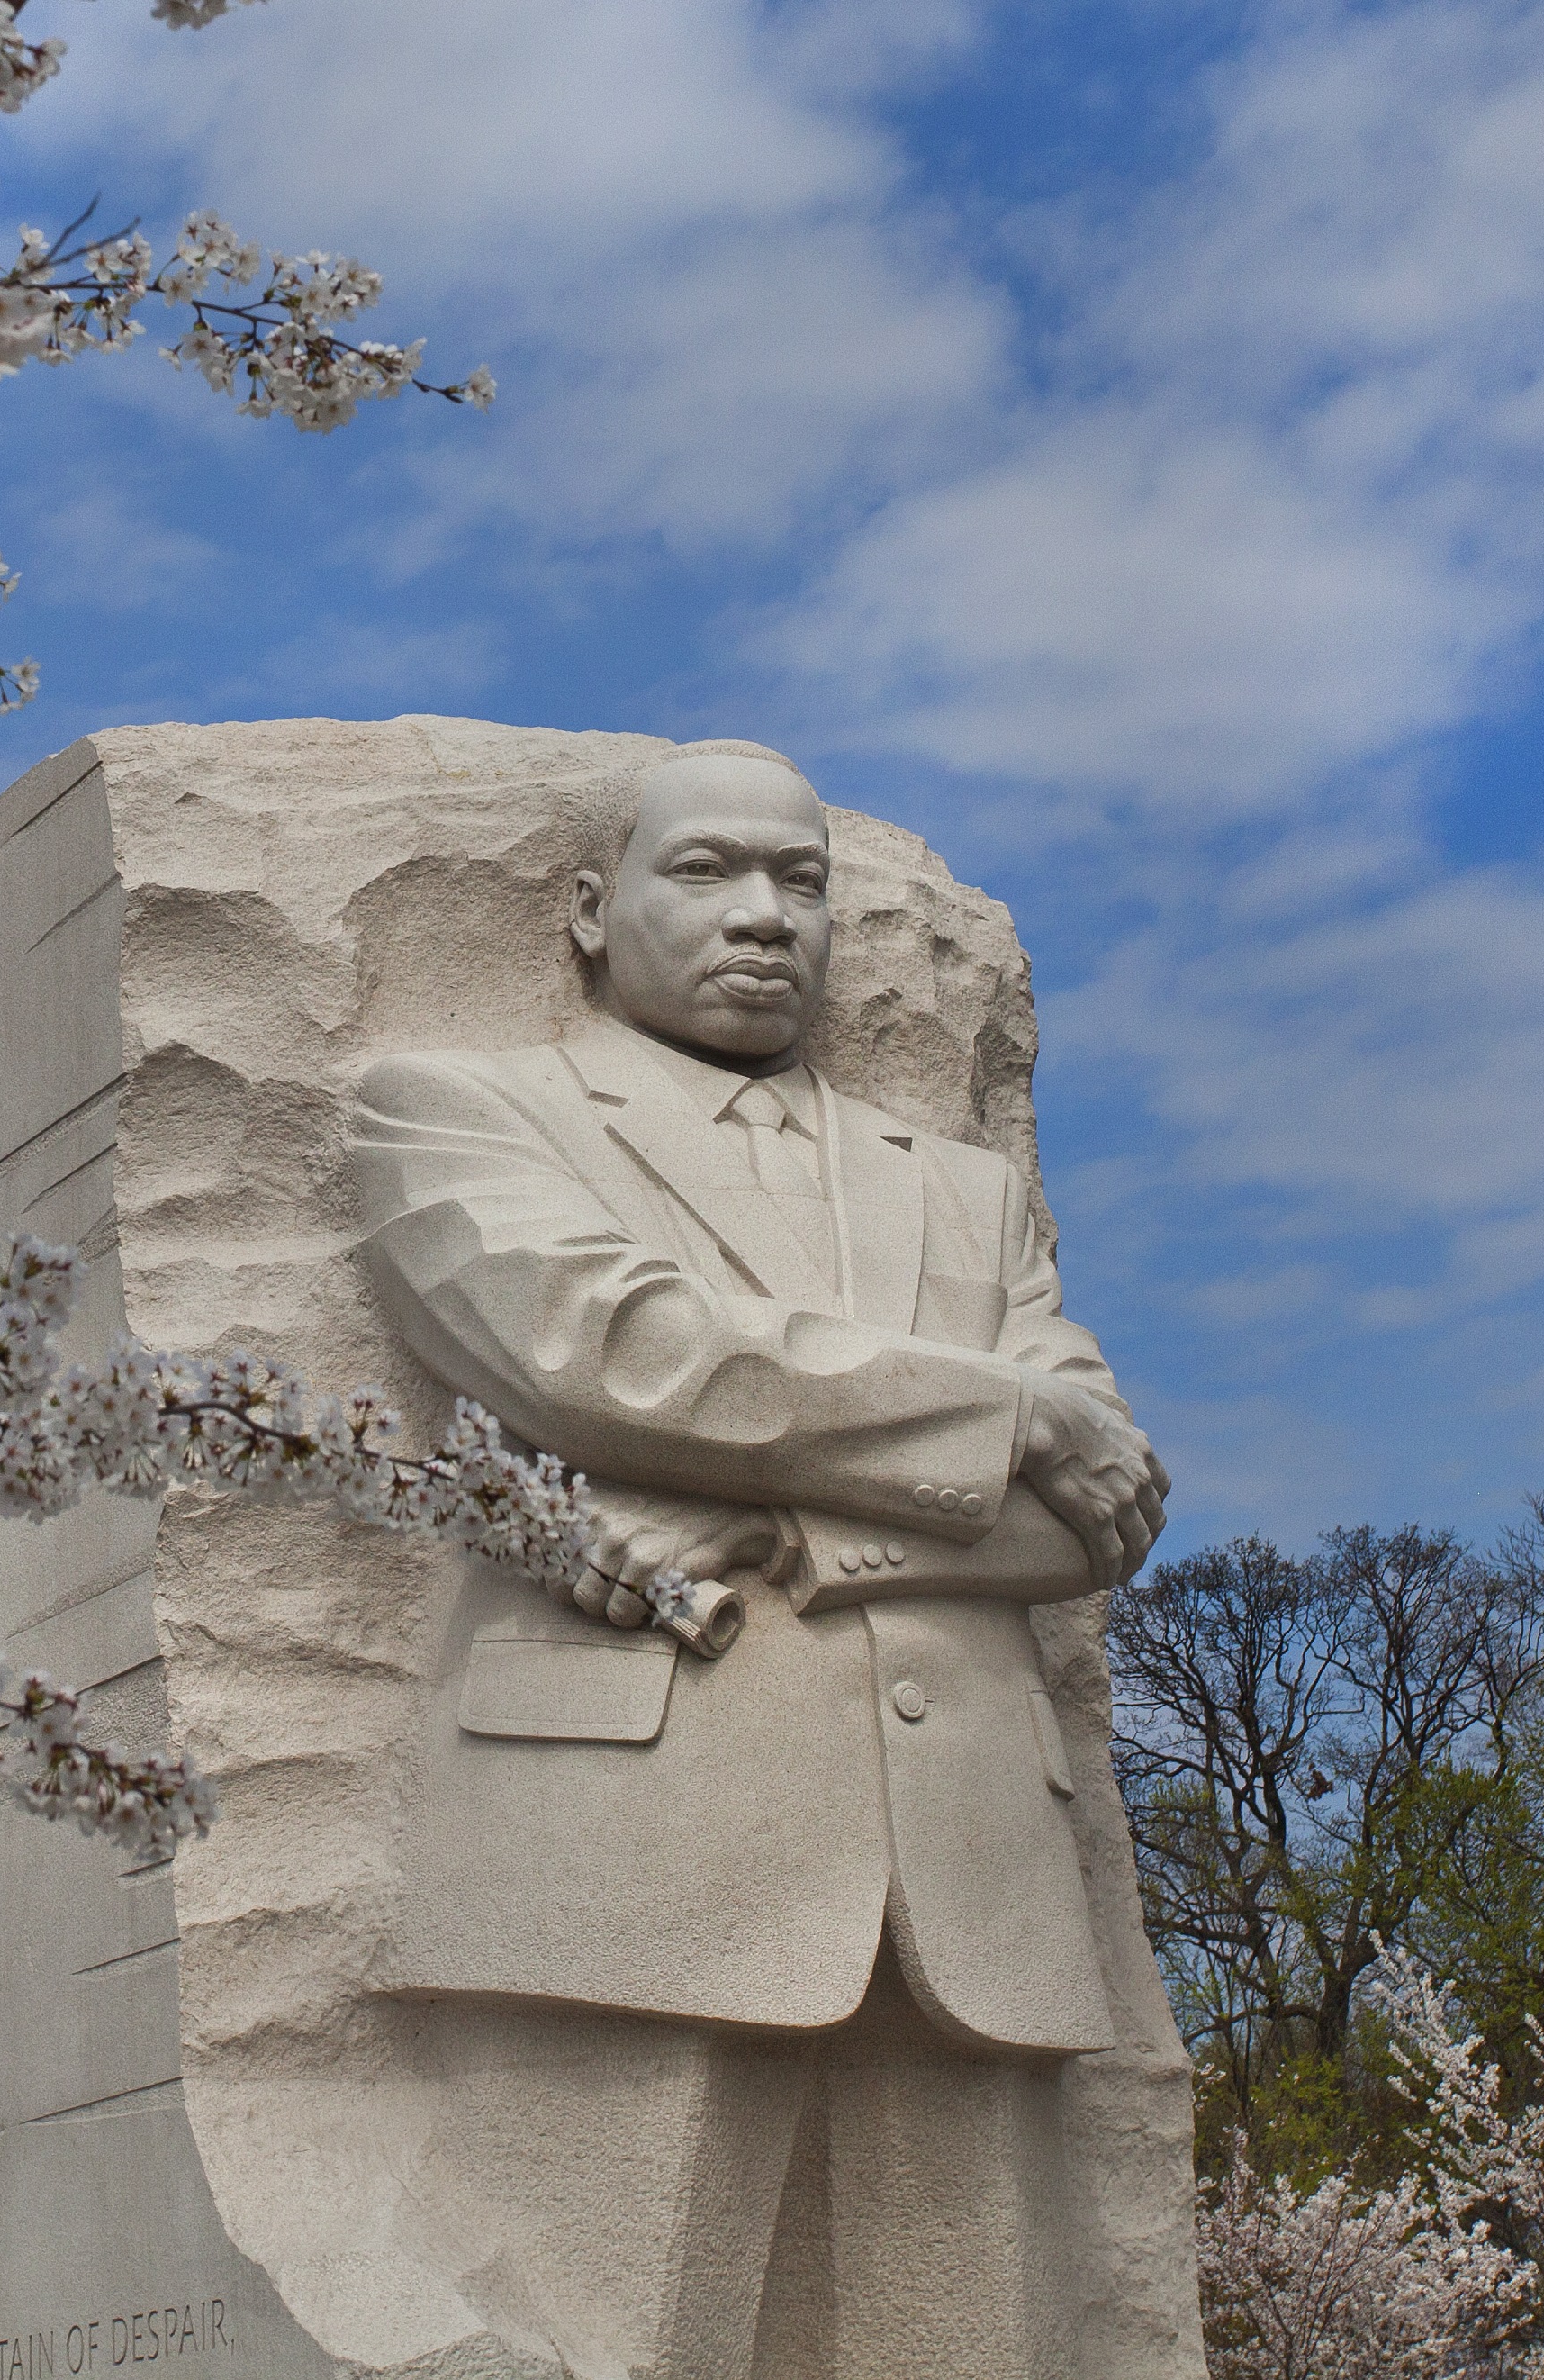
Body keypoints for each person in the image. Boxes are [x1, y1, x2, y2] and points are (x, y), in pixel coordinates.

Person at [345, 738, 1178, 2378]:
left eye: (800, 882)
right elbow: (617, 1353)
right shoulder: (448, 1105)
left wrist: (774, 1514)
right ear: (588, 912)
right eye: (707, 872)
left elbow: (1093, 1513)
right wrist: (995, 1410)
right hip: (631, 1849)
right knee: (600, 2344)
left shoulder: (961, 1192)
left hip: (975, 1884)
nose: (763, 916)